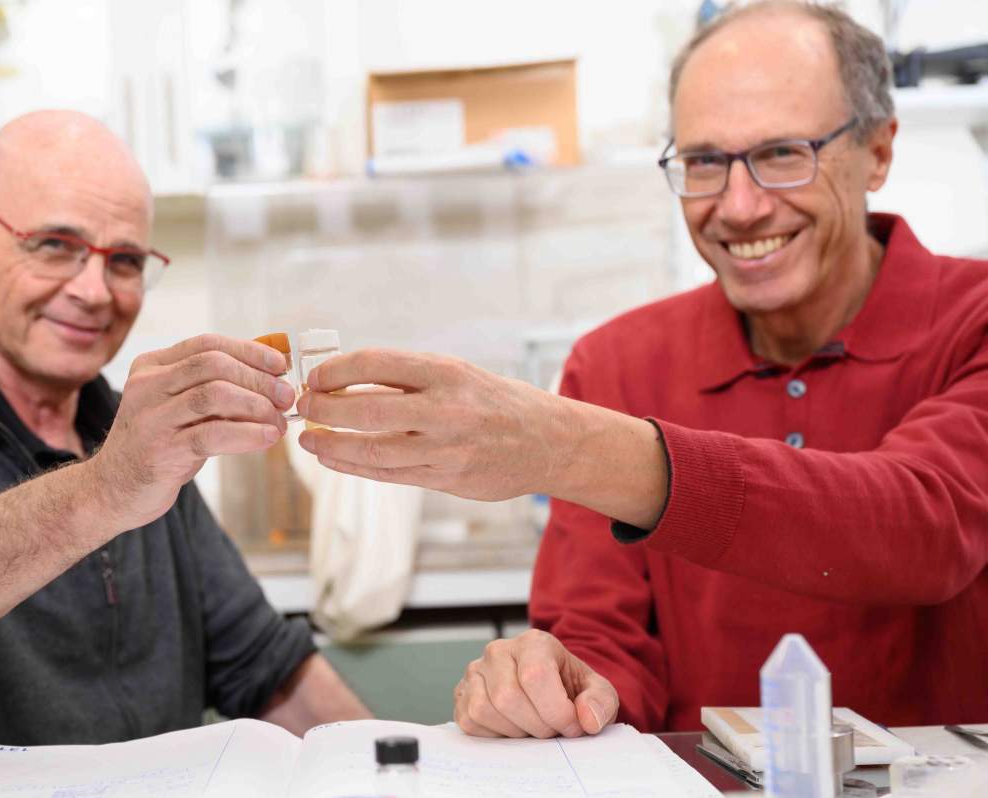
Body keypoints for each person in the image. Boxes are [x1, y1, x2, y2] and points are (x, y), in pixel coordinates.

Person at [295, 0, 988, 737]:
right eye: (704, 162)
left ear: (879, 151)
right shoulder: (618, 364)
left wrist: (567, 446)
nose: (740, 206)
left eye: (784, 154)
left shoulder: (972, 321)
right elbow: (602, 642)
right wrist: (557, 684)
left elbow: (922, 526)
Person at [0, 111, 369, 760]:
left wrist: (395, 768)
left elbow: (268, 671)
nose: (94, 291)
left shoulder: (135, 437)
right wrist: (105, 488)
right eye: (54, 244)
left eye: (124, 261)